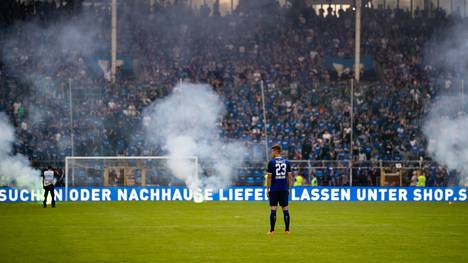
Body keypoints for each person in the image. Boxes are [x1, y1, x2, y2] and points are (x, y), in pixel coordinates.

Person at [265, 144, 292, 234]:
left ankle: (272, 231)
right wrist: (288, 188)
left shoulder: (271, 162)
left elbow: (269, 177)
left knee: (273, 209)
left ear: (276, 151)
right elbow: (290, 177)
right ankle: (287, 230)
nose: (271, 153)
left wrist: (267, 188)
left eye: (272, 151)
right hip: (284, 188)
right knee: (285, 209)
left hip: (274, 189)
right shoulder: (286, 162)